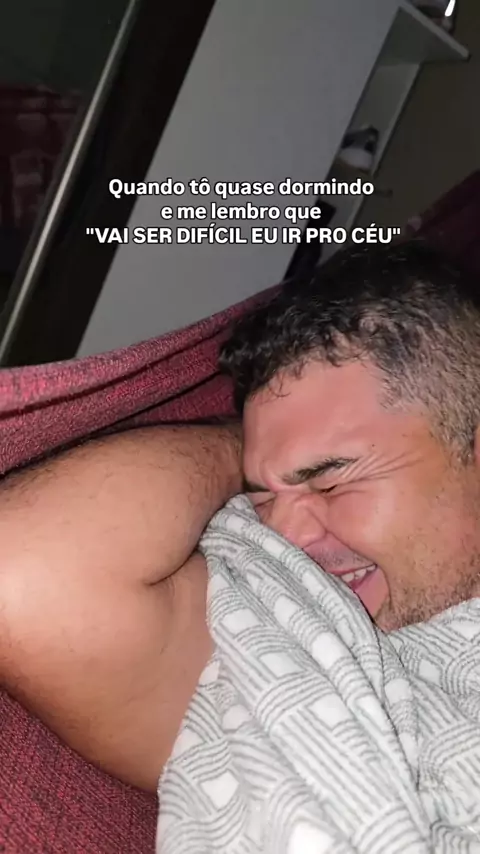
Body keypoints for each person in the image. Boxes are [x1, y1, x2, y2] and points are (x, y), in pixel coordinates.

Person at [1, 240, 480, 850]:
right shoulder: (283, 639)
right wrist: (247, 447)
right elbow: (25, 575)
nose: (288, 535)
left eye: (331, 478)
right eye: (263, 496)